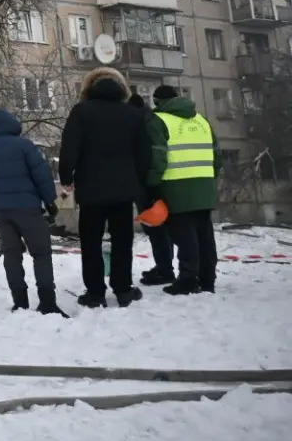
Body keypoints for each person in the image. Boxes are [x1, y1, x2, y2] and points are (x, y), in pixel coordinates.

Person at [58, 68, 151, 308]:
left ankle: (95, 293)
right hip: (123, 190)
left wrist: (66, 175)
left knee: (91, 242)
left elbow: (69, 147)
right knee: (122, 241)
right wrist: (138, 182)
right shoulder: (133, 114)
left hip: (91, 190)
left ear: (88, 89)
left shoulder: (81, 112)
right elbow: (144, 154)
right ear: (122, 90)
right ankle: (122, 289)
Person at [0, 109, 66, 317]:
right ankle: (48, 303)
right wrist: (49, 200)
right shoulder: (24, 146)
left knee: (12, 255)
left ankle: (20, 303)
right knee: (41, 253)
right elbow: (41, 175)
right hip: (28, 208)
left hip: (1, 212)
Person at [145, 85, 221, 295]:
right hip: (204, 186)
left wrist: (152, 184)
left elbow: (158, 157)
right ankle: (207, 280)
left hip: (176, 188)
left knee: (185, 237)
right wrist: (209, 180)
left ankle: (188, 279)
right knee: (205, 236)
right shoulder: (201, 120)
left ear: (157, 101)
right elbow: (217, 155)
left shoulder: (158, 121)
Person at [129, 93, 176, 286]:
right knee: (159, 227)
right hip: (155, 181)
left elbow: (155, 152)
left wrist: (150, 181)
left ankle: (165, 269)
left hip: (149, 183)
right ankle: (164, 266)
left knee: (156, 227)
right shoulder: (148, 120)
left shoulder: (144, 123)